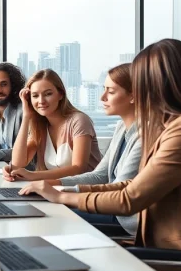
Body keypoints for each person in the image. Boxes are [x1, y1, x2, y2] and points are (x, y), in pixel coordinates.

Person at [18, 39, 181, 271]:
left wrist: (60, 196)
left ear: (156, 83)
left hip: (177, 260)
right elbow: (128, 186)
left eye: (140, 80)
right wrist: (55, 190)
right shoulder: (173, 126)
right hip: (153, 244)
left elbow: (130, 199)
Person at [56, 64, 142, 236]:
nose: (102, 97)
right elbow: (100, 175)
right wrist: (54, 184)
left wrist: (63, 194)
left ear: (133, 96)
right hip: (110, 205)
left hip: (126, 218)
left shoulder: (144, 135)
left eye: (110, 92)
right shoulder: (121, 127)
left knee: (57, 215)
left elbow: (119, 189)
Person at [3, 69, 102, 182]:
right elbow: (17, 164)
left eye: (48, 94)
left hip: (89, 191)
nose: (41, 101)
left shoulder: (79, 121)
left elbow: (79, 169)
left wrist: (32, 175)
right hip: (58, 191)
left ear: (60, 94)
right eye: (35, 96)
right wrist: (26, 117)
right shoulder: (39, 126)